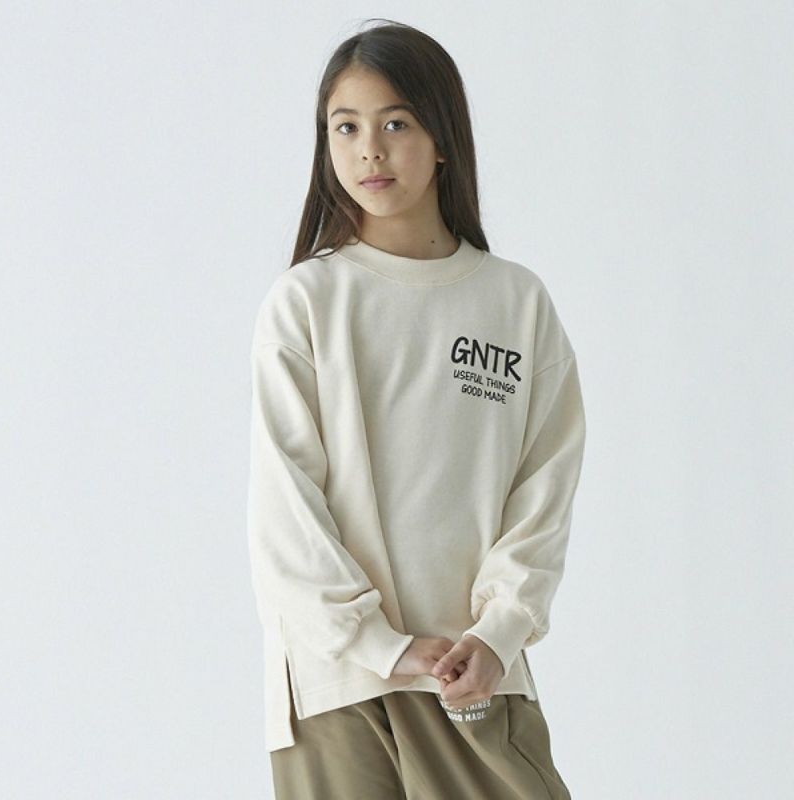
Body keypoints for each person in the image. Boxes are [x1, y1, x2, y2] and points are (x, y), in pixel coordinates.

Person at [246, 18, 586, 799]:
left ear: (442, 139)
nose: (369, 149)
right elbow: (284, 508)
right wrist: (376, 643)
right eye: (346, 127)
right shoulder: (307, 301)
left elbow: (545, 487)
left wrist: (498, 633)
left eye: (395, 124)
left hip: (478, 675)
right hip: (340, 684)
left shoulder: (515, 303)